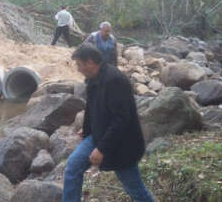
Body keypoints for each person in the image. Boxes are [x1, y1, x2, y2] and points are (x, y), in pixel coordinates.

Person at [63, 45, 155, 202]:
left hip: (122, 144)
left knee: (136, 190)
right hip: (98, 136)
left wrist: (101, 149)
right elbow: (92, 108)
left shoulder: (114, 80)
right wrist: (87, 130)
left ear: (90, 62)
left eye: (79, 64)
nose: (78, 69)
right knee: (72, 168)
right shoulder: (94, 78)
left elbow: (122, 119)